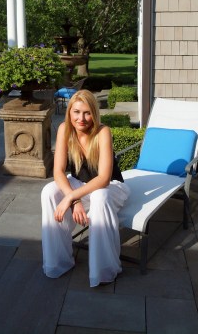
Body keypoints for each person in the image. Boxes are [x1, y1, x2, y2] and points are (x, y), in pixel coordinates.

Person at [41, 89, 130, 287]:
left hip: (110, 187)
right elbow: (58, 172)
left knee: (99, 197)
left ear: (94, 113)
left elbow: (104, 179)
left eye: (87, 113)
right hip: (80, 185)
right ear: (69, 112)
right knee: (48, 192)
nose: (81, 118)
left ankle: (103, 270)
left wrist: (70, 197)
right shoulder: (65, 129)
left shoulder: (103, 132)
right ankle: (58, 262)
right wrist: (76, 200)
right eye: (76, 112)